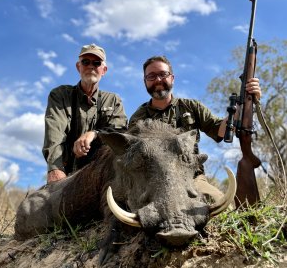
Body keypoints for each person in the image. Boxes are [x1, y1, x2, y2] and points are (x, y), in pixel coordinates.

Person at [129, 55, 262, 199]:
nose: (158, 80)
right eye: (151, 76)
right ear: (145, 82)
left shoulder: (191, 106)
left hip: (193, 177)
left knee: (220, 205)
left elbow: (219, 130)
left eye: (163, 74)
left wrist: (244, 104)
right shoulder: (138, 118)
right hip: (153, 180)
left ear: (172, 78)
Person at [43, 44, 128, 183]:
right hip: (66, 174)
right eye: (85, 62)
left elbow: (119, 131)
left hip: (103, 176)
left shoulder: (113, 100)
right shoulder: (60, 95)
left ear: (104, 70)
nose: (91, 66)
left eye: (96, 63)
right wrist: (55, 168)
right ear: (78, 67)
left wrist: (94, 134)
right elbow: (54, 133)